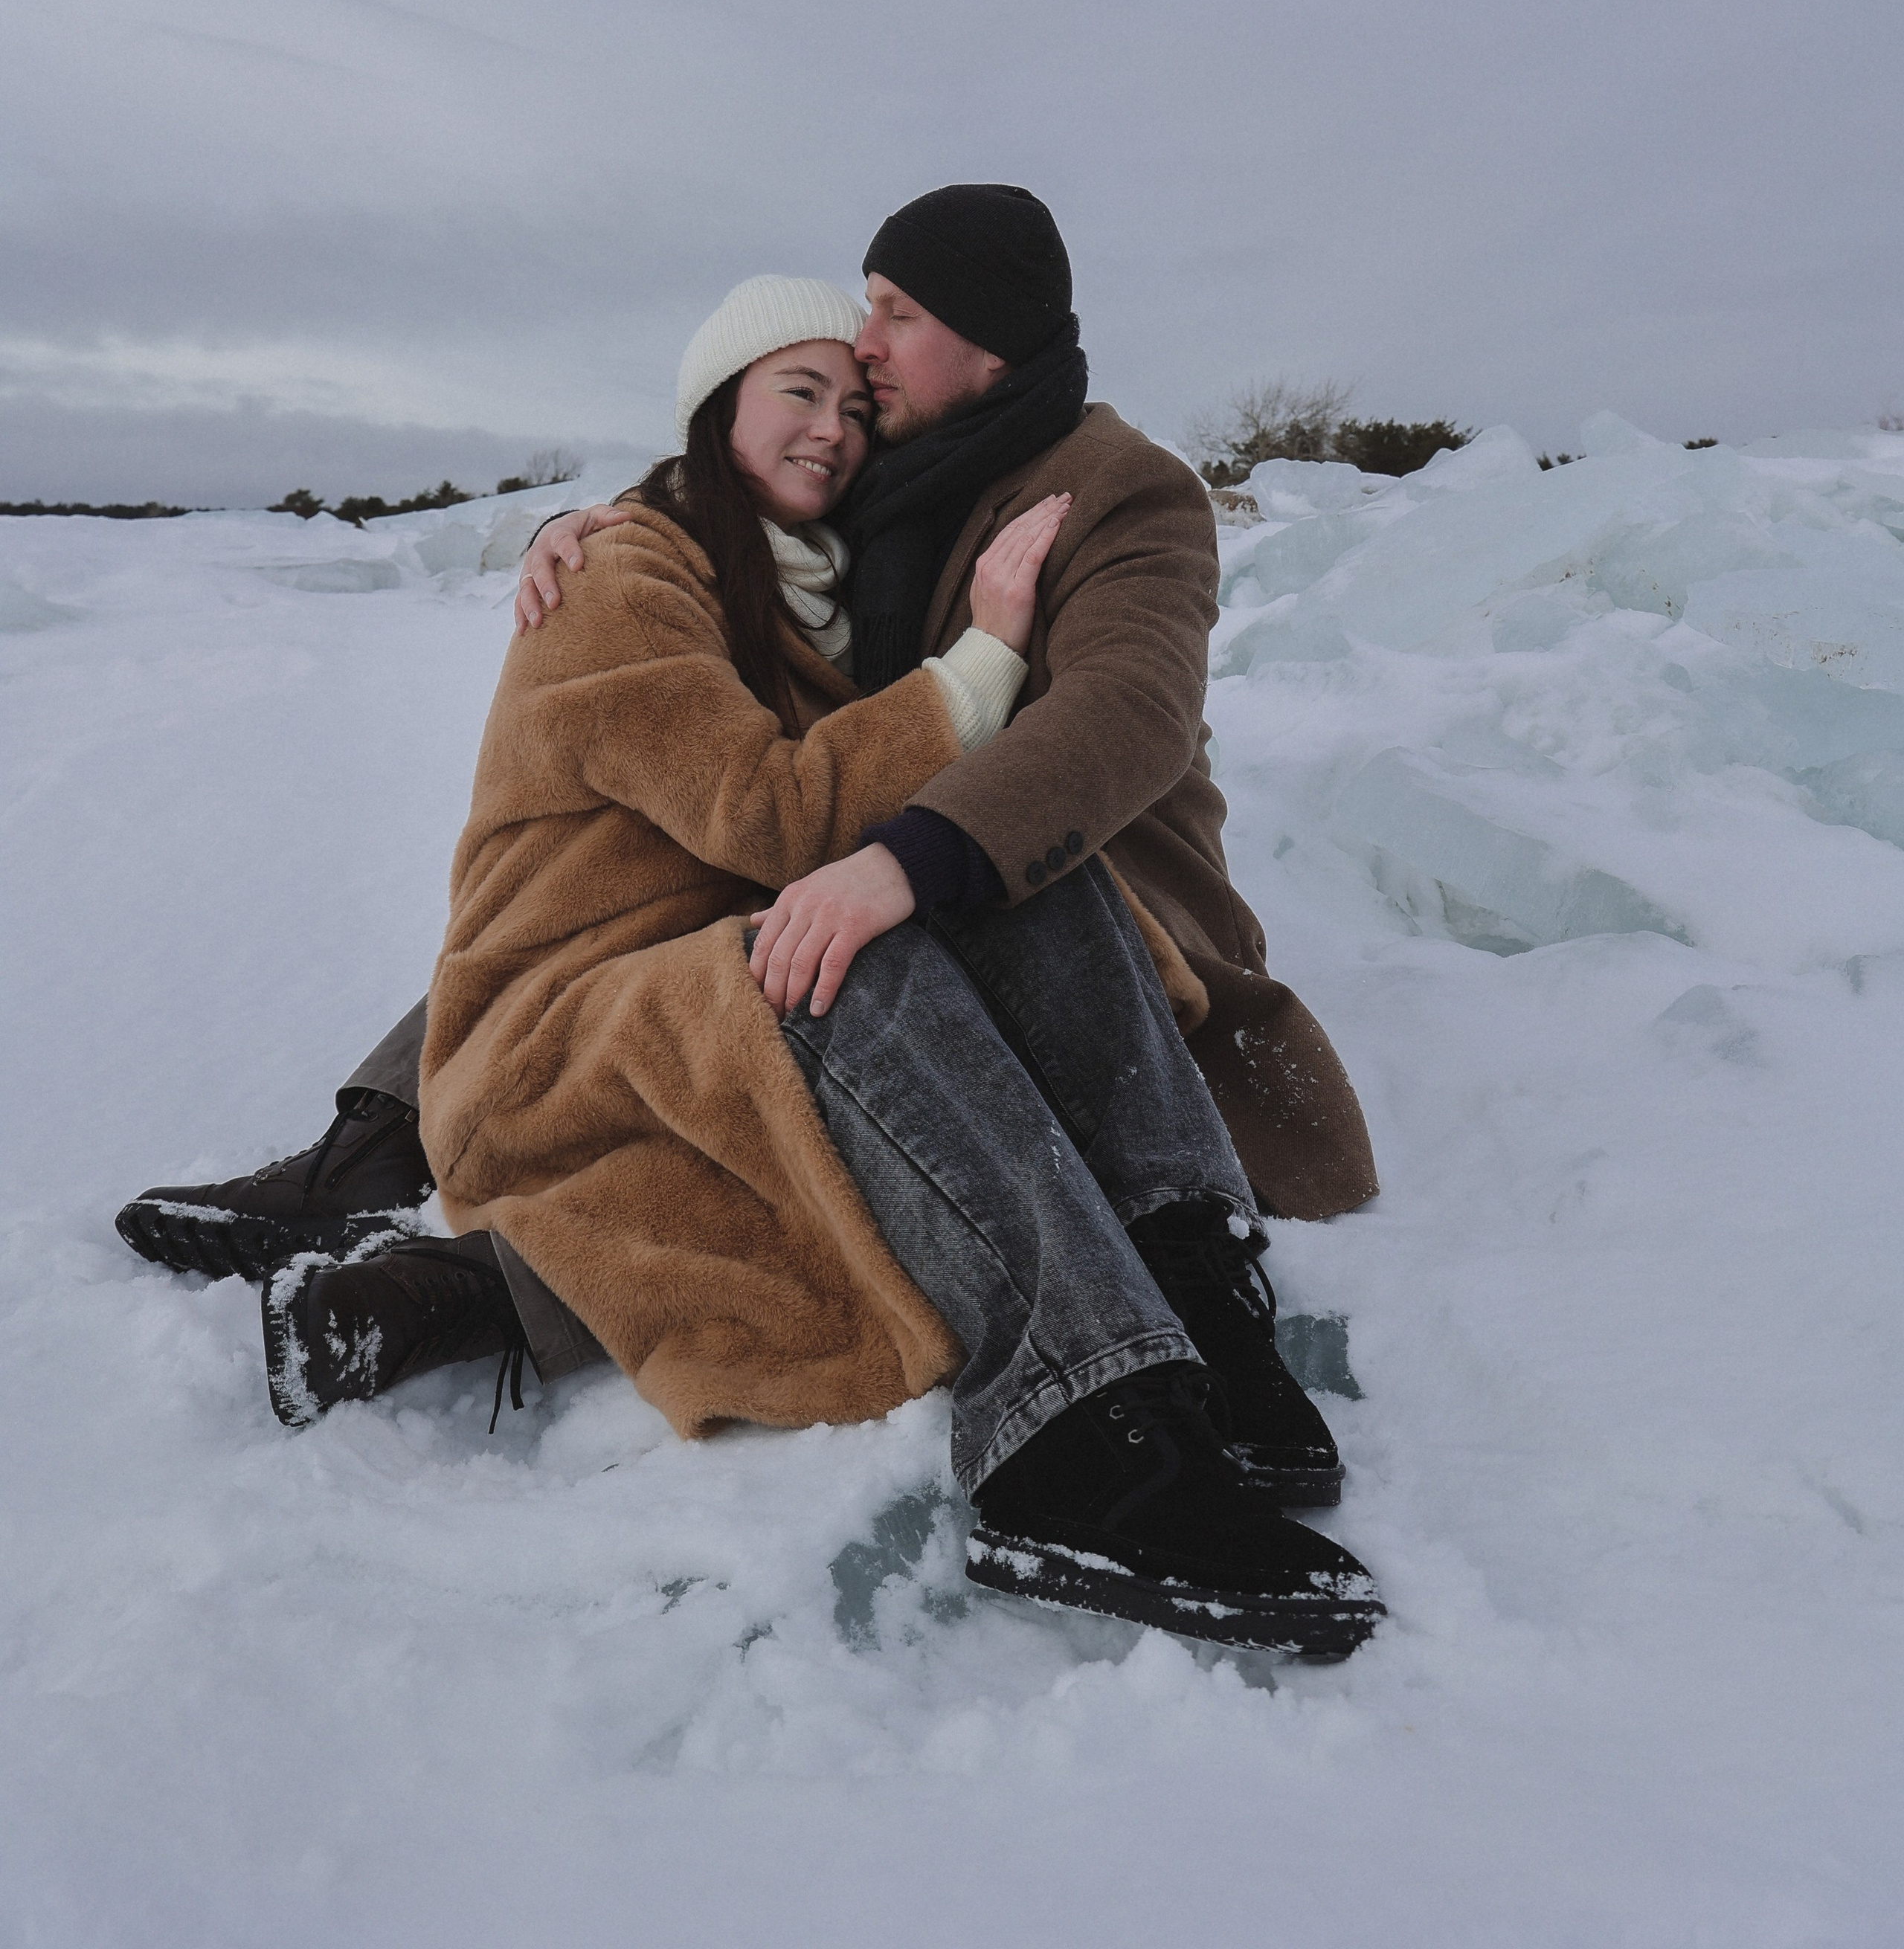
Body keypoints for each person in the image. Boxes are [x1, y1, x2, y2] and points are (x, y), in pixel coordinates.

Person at [119, 195, 1385, 1656]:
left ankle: (1184, 1317)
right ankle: (396, 1182)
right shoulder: (834, 494)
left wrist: (908, 850)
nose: (860, 361)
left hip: (1090, 924)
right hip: (834, 913)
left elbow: (1123, 713)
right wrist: (584, 528)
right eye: (834, 350)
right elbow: (683, 788)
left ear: (991, 334)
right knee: (815, 1007)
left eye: (893, 321)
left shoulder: (1114, 488)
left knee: (834, 1027)